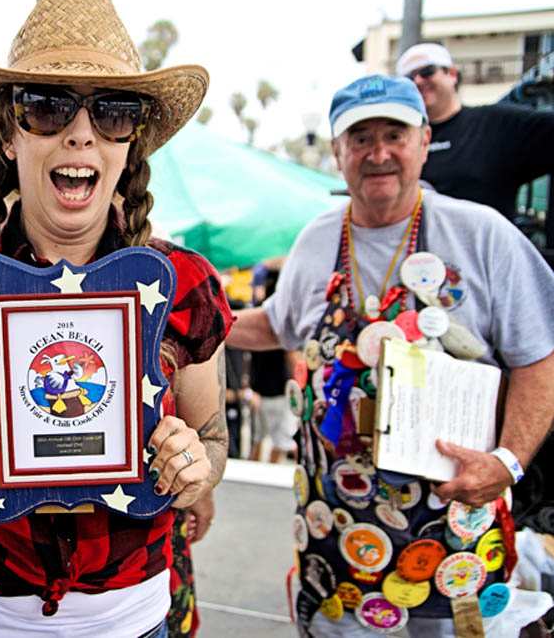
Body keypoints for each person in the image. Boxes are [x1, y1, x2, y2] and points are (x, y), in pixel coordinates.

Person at [0, 0, 232, 637]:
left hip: (133, 613)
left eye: (112, 111)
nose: (81, 132)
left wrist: (196, 466)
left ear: (131, 143)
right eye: (46, 107)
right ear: (10, 137)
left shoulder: (184, 284)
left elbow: (213, 439)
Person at [226, 73, 554, 636]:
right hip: (336, 536)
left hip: (453, 531)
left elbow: (540, 358)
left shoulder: (483, 234)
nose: (378, 153)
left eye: (394, 135)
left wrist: (508, 462)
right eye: (360, 138)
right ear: (337, 152)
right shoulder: (317, 240)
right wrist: (184, 314)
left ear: (425, 140)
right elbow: (275, 326)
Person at [395, 42, 554, 220]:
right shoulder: (395, 141)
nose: (418, 81)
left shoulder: (497, 124)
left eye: (427, 72)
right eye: (409, 79)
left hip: (484, 245)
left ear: (452, 74)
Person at [246, 259, 296, 463]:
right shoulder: (284, 317)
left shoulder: (258, 311)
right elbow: (290, 355)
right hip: (278, 389)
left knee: (258, 439)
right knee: (279, 441)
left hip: (259, 387)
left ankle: (251, 483)